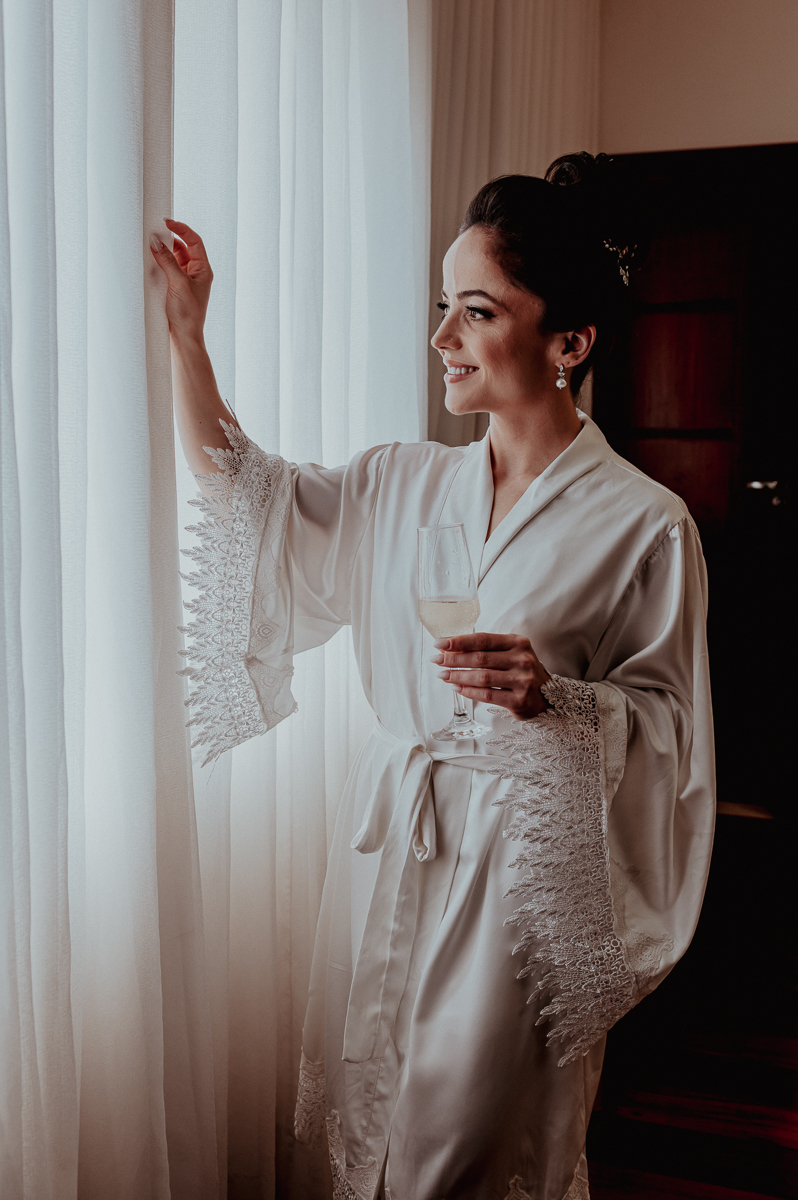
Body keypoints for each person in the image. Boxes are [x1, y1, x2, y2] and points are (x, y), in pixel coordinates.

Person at [150, 153, 715, 1200]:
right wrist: (188, 338)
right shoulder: (398, 483)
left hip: (521, 880)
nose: (440, 338)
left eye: (475, 312)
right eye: (441, 307)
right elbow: (248, 499)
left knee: (473, 1149)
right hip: (392, 845)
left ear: (569, 344)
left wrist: (561, 699)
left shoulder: (645, 525)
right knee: (368, 1133)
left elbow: (676, 736)